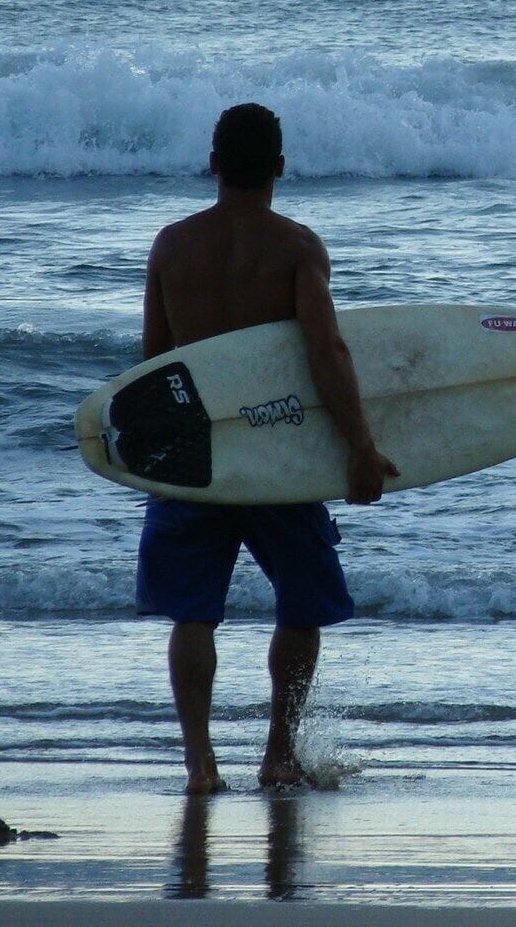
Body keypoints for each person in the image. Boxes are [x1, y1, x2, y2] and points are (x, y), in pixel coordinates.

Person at [135, 102, 397, 794]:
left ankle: (201, 765)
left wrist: (157, 460)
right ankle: (278, 753)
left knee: (194, 613)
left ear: (213, 163)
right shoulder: (296, 249)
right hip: (279, 455)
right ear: (280, 166)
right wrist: (360, 446)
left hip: (195, 455)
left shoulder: (171, 247)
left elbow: (154, 367)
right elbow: (324, 351)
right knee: (302, 606)